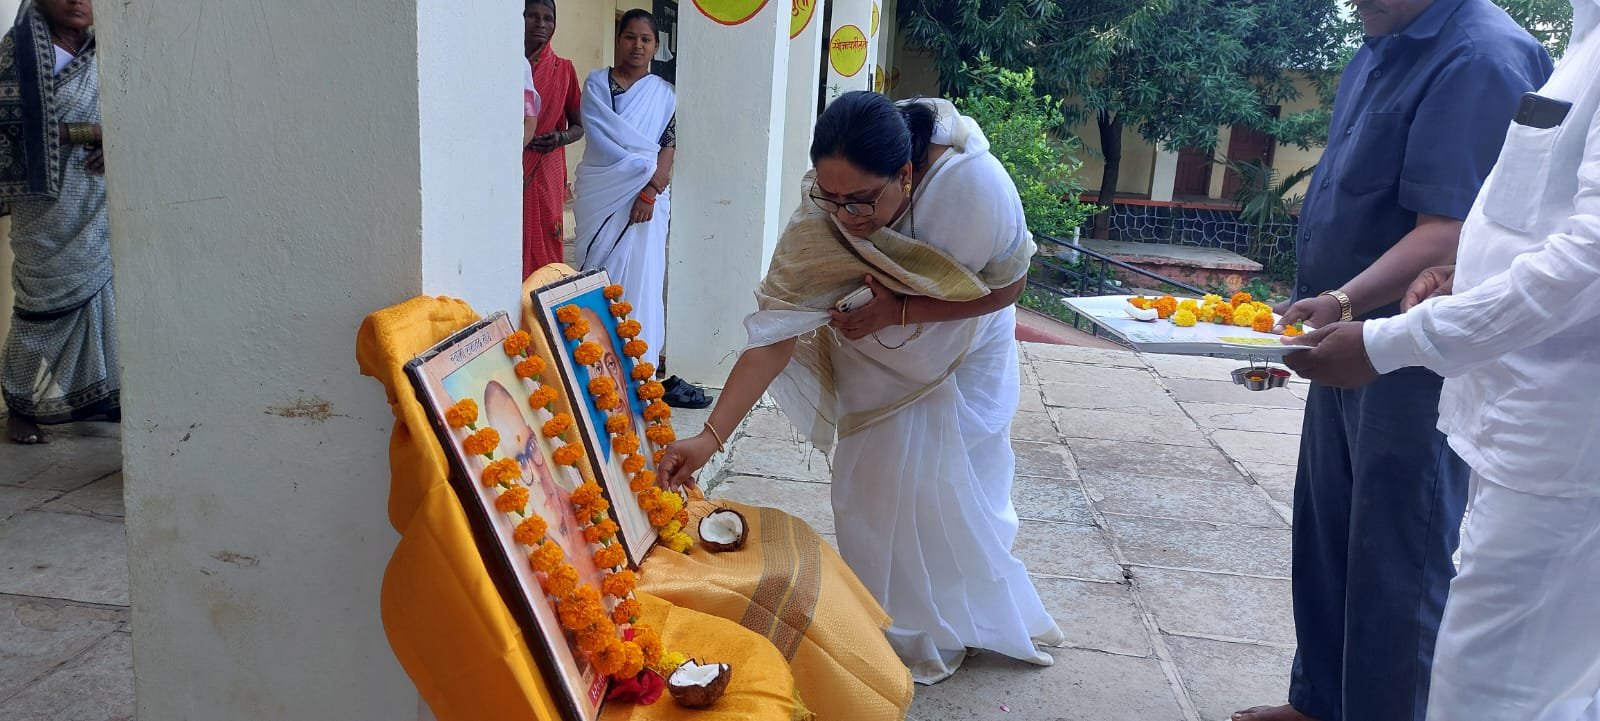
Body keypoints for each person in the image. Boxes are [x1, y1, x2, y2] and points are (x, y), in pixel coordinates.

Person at [658, 91, 1065, 684]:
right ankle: (894, 631)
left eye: (862, 202)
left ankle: (968, 620)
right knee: (867, 492)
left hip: (967, 345)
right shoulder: (821, 215)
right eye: (831, 198)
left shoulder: (973, 188)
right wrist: (708, 438)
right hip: (874, 361)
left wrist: (901, 310)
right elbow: (773, 336)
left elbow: (1007, 289)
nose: (846, 217)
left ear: (906, 174)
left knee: (958, 487)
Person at [1229, 1, 1551, 720]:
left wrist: (1345, 300)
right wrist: (1332, 305)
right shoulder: (1382, 41)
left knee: (1398, 552)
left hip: (1411, 350)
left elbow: (1451, 232)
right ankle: (1320, 701)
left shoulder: (1479, 59)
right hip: (1343, 337)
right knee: (1328, 529)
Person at [571, 10, 709, 411]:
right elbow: (601, 140)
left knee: (643, 278)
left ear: (656, 46)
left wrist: (650, 189)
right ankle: (591, 362)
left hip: (647, 199)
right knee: (596, 273)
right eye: (630, 37)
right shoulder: (597, 84)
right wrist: (636, 171)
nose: (637, 45)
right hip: (602, 193)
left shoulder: (664, 94)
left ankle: (637, 367)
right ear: (618, 39)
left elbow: (668, 144)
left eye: (645, 39)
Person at [0, 0, 116, 445]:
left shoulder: (109, 49)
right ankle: (20, 405)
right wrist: (92, 132)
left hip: (99, 195)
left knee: (105, 297)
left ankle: (103, 396)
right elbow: (11, 128)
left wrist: (116, 141)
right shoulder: (18, 53)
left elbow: (135, 110)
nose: (77, 0)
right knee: (41, 305)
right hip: (44, 206)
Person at [522, 0, 583, 279]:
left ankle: (543, 295)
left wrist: (560, 137)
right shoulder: (504, 65)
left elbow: (579, 126)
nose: (541, 24)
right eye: (532, 16)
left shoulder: (563, 70)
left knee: (547, 236)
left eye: (548, 18)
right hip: (512, 164)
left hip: (547, 166)